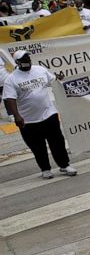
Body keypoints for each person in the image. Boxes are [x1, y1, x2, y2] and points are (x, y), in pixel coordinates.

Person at [3, 50, 77, 179]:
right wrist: (17, 116)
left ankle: (64, 165)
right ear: (18, 63)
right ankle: (45, 169)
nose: (27, 62)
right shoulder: (11, 79)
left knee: (57, 141)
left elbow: (52, 79)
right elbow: (10, 99)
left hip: (49, 114)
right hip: (28, 120)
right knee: (37, 147)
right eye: (24, 60)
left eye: (28, 59)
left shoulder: (40, 70)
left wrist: (59, 77)